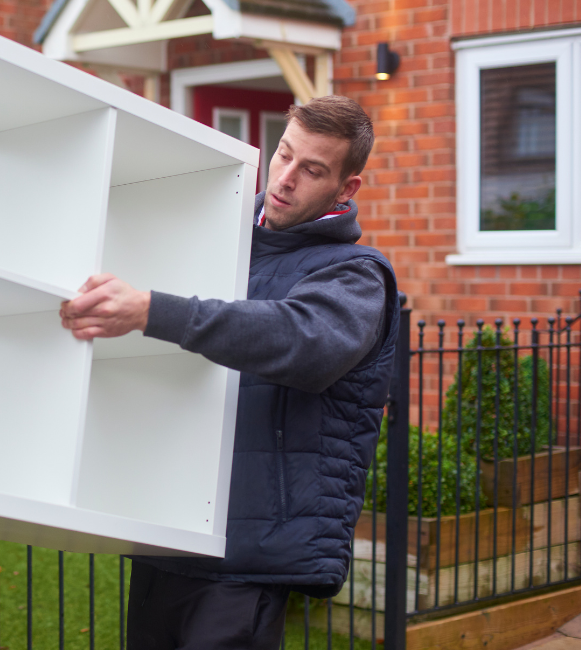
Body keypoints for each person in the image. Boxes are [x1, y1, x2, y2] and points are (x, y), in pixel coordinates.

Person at [58, 96, 401, 648]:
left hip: (250, 554)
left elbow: (302, 342)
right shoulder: (217, 241)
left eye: (312, 169)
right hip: (169, 531)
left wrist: (153, 310)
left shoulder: (356, 276)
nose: (285, 178)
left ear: (347, 188)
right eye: (284, 155)